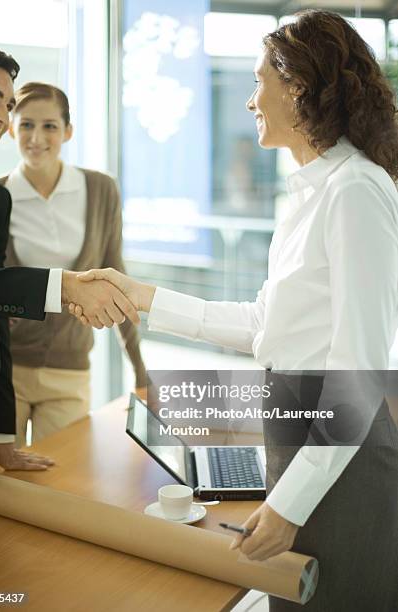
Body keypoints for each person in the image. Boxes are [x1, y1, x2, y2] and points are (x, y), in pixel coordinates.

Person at [70, 10, 398, 611]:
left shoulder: (354, 190)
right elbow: (263, 325)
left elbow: (358, 374)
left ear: (297, 86)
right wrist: (141, 295)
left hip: (336, 455)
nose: (251, 100)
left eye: (257, 82)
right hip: (298, 430)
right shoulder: (312, 190)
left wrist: (287, 504)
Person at [0, 44, 138, 471]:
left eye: (6, 104)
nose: (3, 117)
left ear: (67, 131)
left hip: (39, 373)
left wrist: (1, 433)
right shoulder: (4, 190)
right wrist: (65, 285)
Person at [0, 82, 147, 447]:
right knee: (0, 486)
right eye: (26, 124)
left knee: (61, 481)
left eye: (49, 126)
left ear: (68, 131)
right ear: (11, 128)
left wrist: (140, 371)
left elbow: (116, 278)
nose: (36, 137)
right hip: (4, 374)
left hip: (70, 371)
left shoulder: (99, 190)